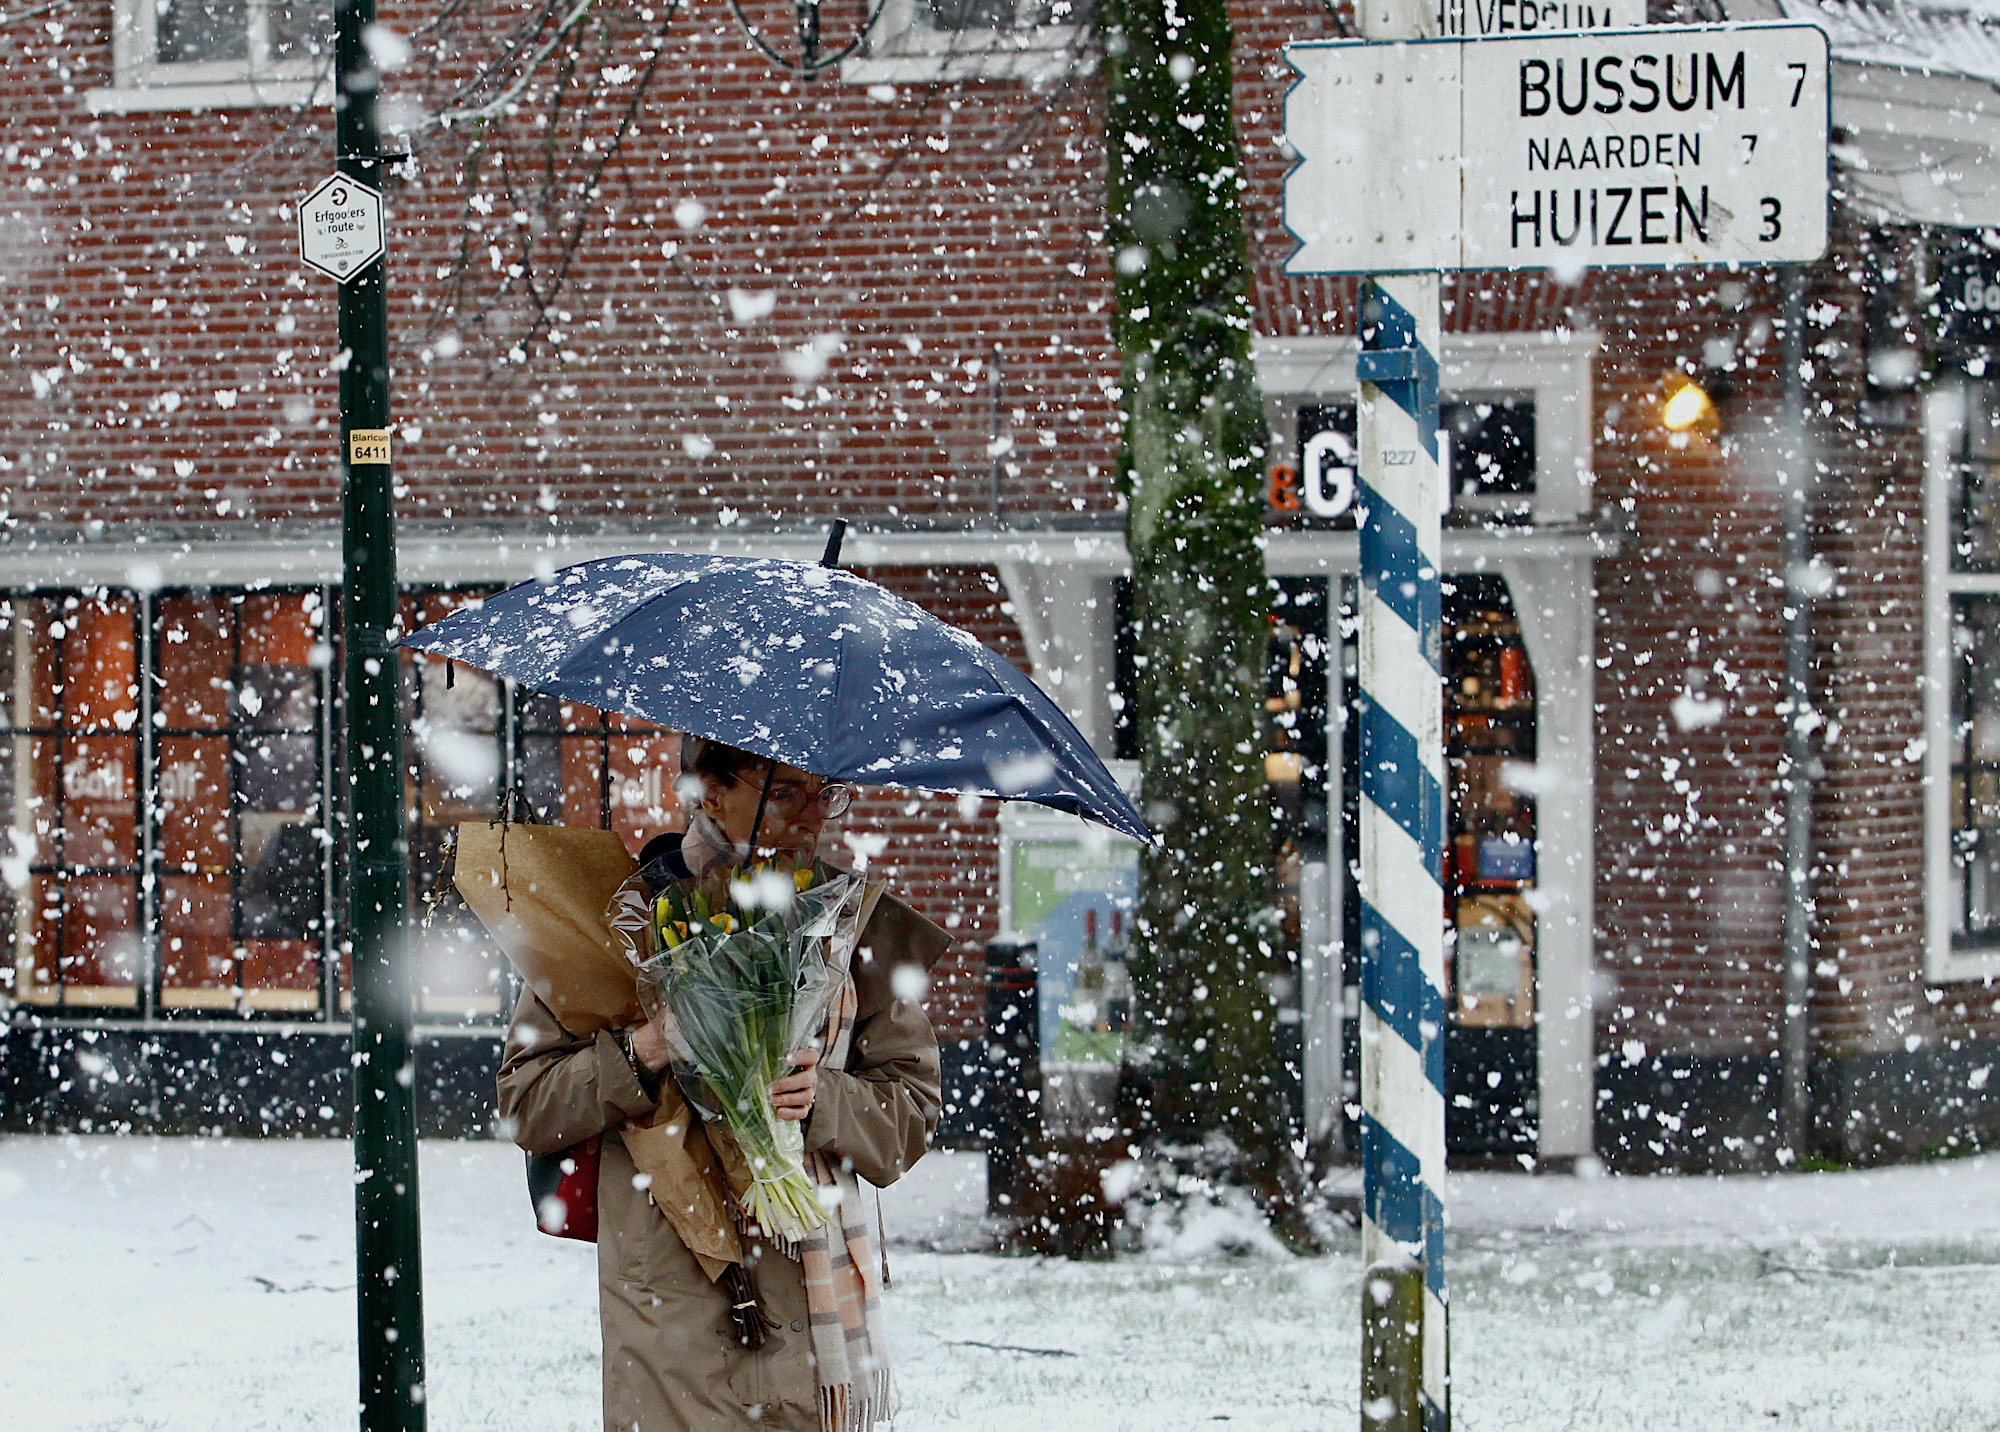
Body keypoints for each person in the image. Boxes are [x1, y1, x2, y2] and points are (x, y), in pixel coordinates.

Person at [497, 736, 949, 1432]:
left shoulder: (854, 926)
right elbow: (528, 1104)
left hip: (813, 1320)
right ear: (709, 792)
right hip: (672, 1316)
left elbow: (910, 1116)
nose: (813, 815)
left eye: (826, 792)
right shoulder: (615, 921)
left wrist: (820, 1096)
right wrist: (644, 1047)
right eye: (787, 791)